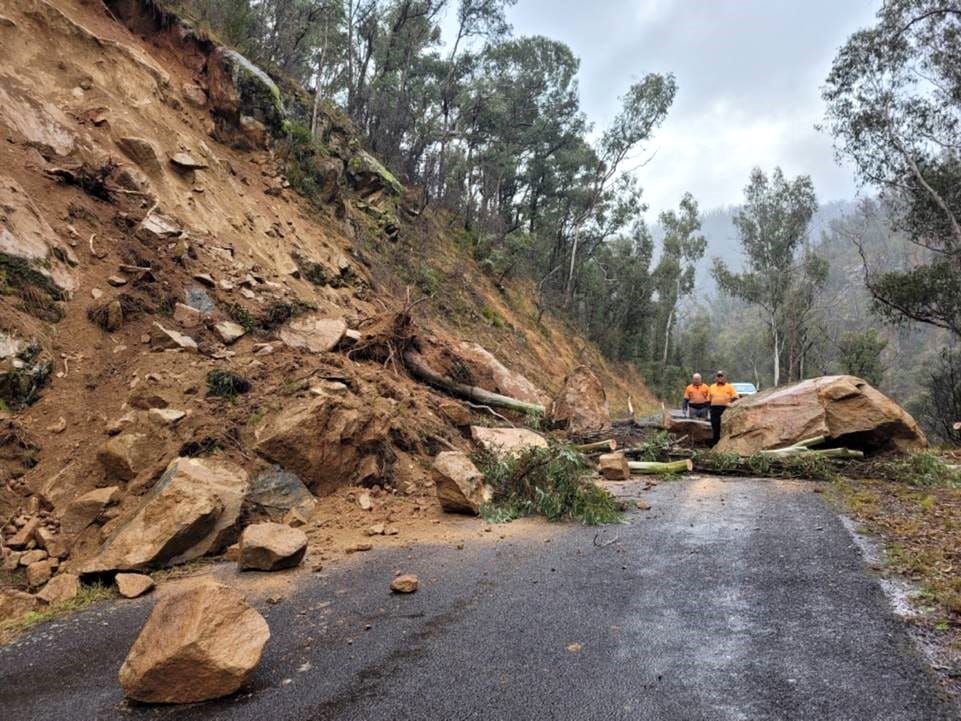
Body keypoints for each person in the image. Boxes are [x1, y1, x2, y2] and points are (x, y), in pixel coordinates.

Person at [708, 370, 739, 446]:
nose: (720, 378)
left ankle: (725, 443)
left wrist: (730, 402)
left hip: (725, 409)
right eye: (718, 376)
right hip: (714, 409)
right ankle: (715, 443)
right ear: (716, 378)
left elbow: (735, 397)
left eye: (721, 376)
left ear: (725, 377)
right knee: (715, 426)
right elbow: (708, 399)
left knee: (724, 426)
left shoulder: (729, 386)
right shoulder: (712, 387)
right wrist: (709, 408)